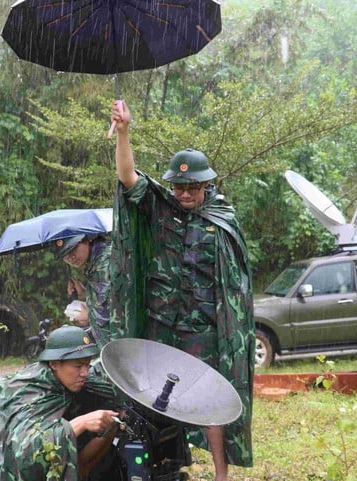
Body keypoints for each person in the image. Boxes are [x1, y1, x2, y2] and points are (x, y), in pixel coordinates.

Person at [108, 100, 254, 480]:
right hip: (161, 323)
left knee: (209, 397)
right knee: (152, 396)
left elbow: (234, 285)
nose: (184, 194)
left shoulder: (222, 220)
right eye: (178, 187)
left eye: (191, 187)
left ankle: (221, 473)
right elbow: (128, 179)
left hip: (202, 329)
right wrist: (123, 133)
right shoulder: (161, 208)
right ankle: (158, 465)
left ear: (206, 184)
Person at [0, 325, 123, 481]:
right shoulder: (29, 392)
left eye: (87, 364)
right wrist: (81, 423)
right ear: (54, 364)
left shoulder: (71, 380)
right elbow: (24, 452)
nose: (85, 373)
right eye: (78, 366)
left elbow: (104, 382)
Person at [54, 234, 113, 345]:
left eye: (73, 249)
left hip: (123, 345)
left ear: (86, 240)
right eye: (65, 255)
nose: (71, 257)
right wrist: (85, 293)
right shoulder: (95, 261)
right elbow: (106, 296)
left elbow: (115, 310)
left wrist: (89, 316)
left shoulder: (104, 263)